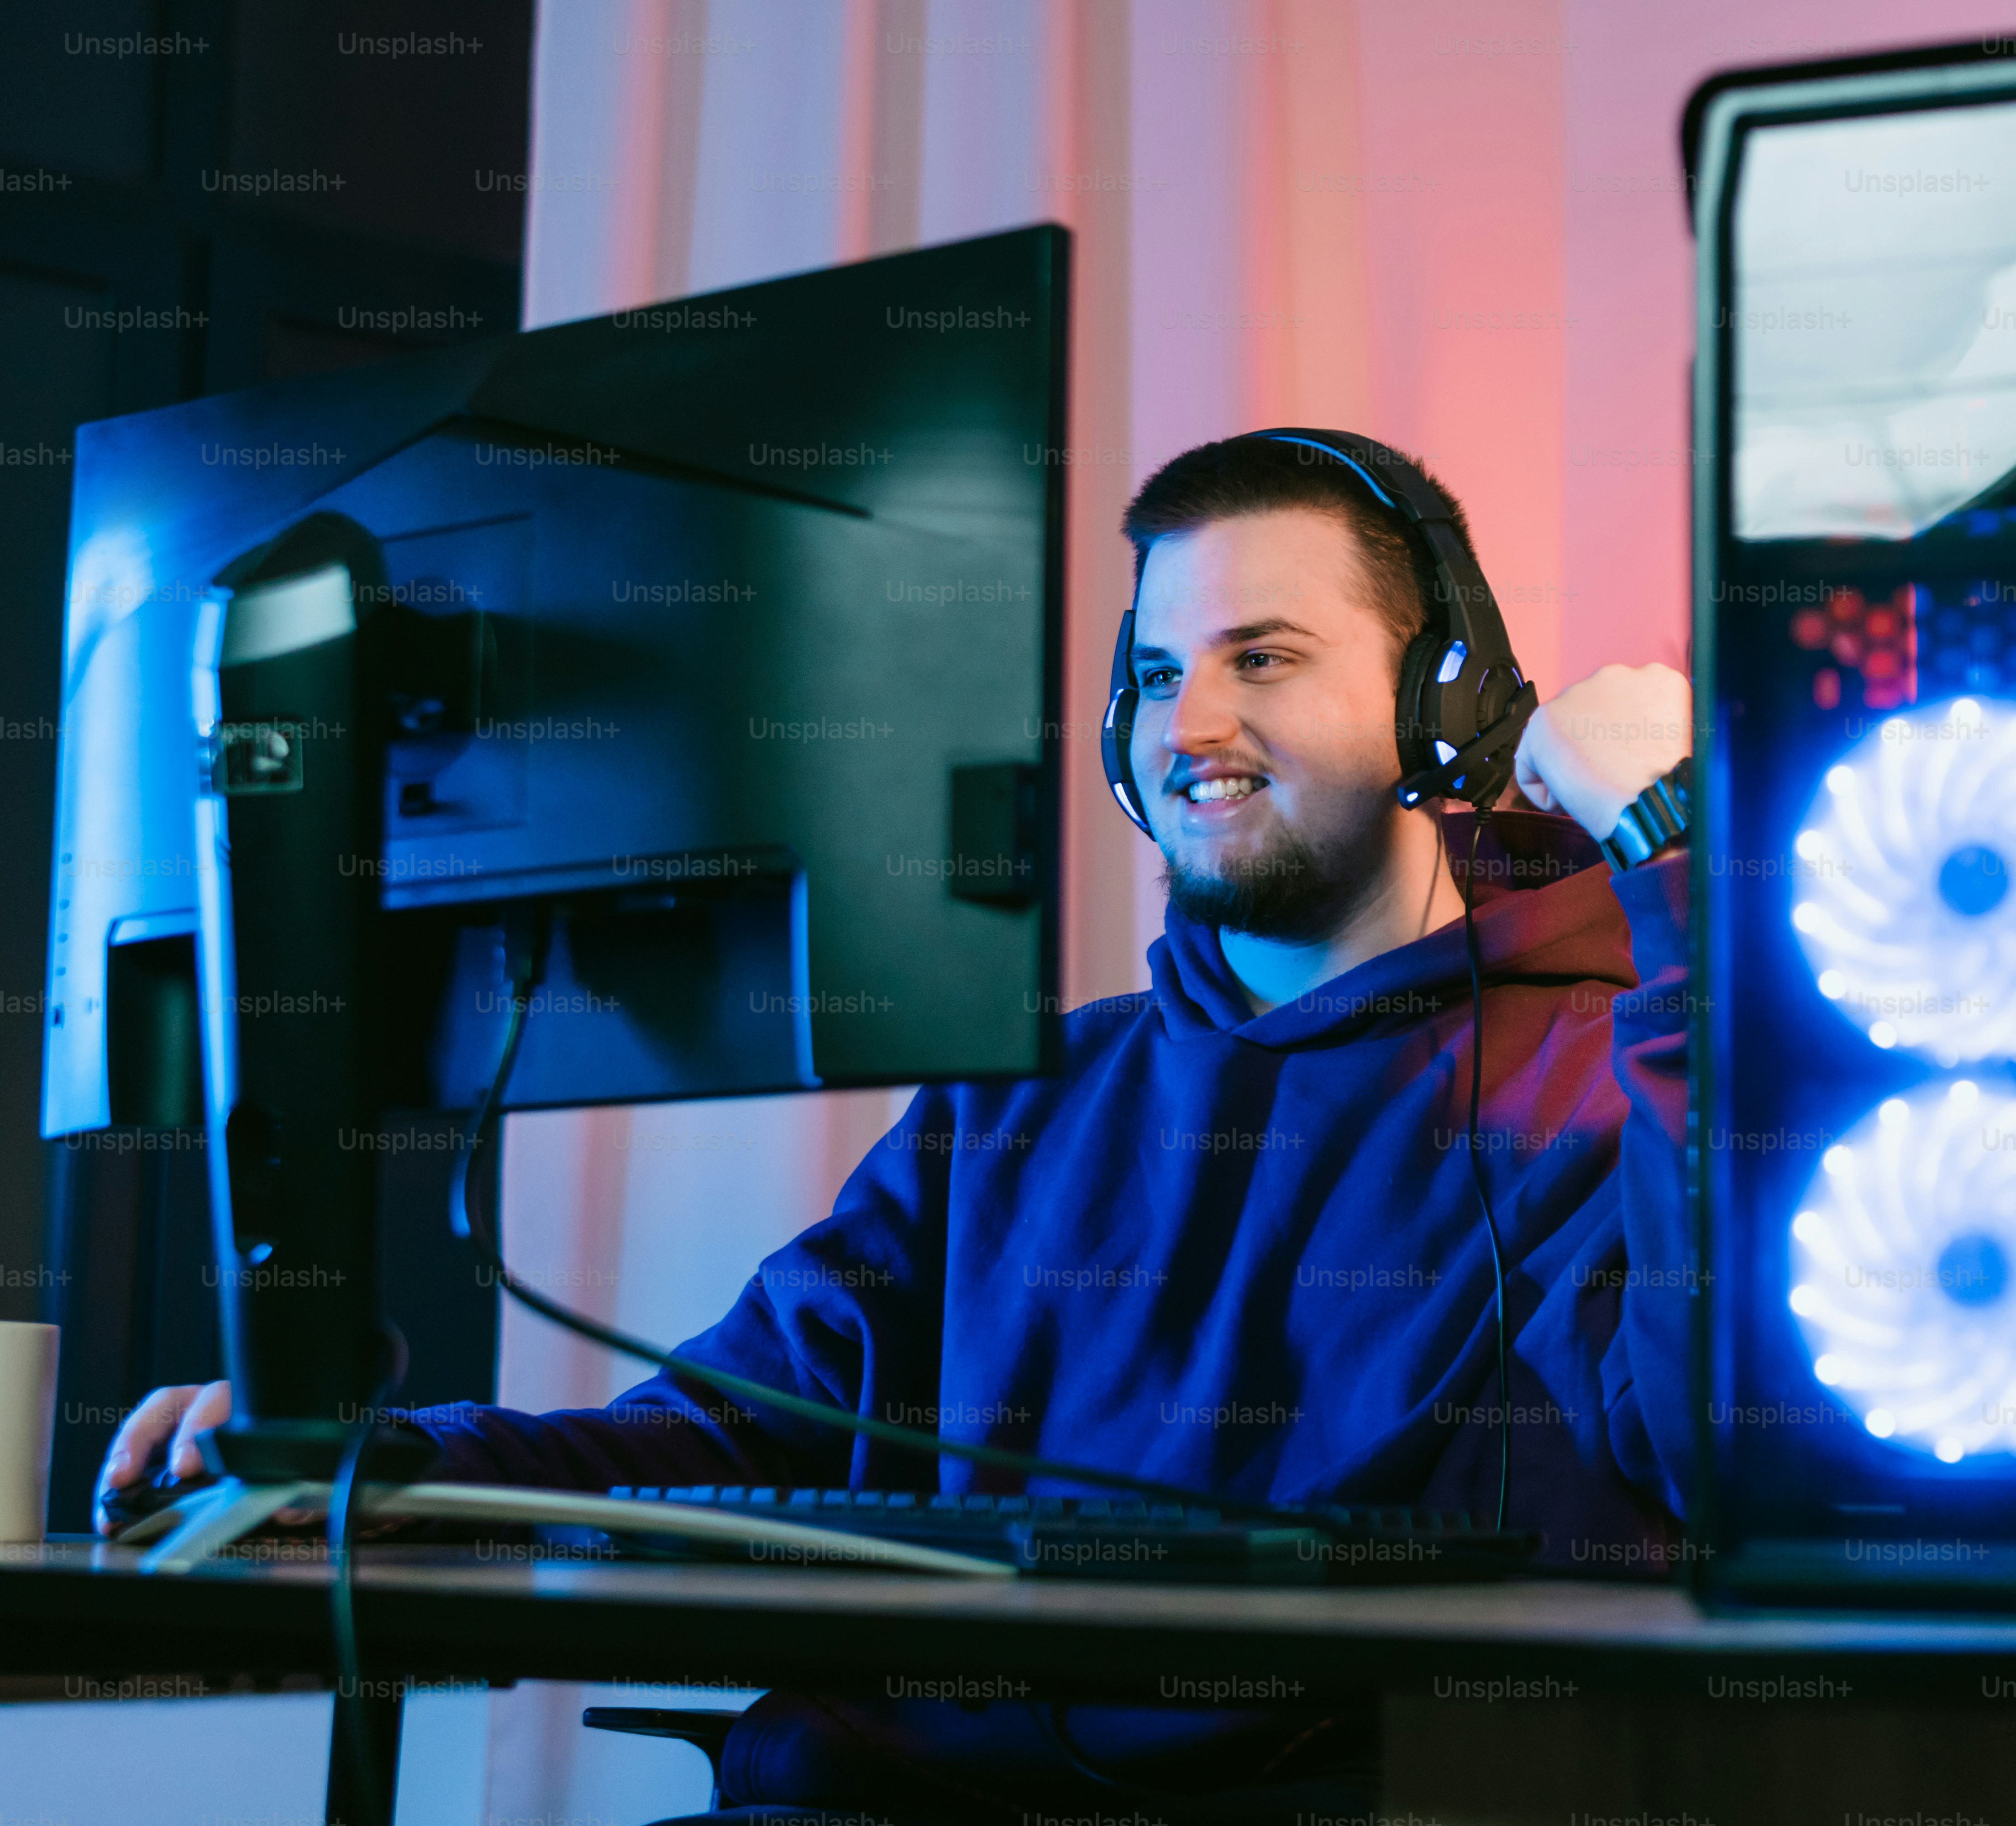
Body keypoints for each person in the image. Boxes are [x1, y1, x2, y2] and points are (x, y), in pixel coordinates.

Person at [96, 432, 1700, 1822]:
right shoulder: (1031, 1095)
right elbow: (737, 1442)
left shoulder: (1619, 1077)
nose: (1187, 726)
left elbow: (1725, 1447)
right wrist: (375, 1474)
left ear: (1444, 702)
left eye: (1261, 659)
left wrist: (1673, 848)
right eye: (1156, 675)